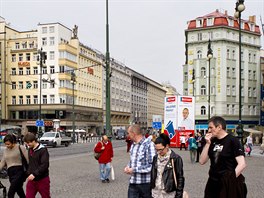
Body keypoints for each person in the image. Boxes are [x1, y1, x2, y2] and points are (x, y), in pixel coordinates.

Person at [200, 116, 247, 198]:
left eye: (211, 127)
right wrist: (207, 143)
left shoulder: (233, 141)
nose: (209, 130)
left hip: (227, 183)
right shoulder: (212, 141)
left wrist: (229, 180)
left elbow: (242, 164)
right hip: (212, 182)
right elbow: (202, 161)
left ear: (219, 127)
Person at [124, 124, 156, 198]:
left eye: (128, 133)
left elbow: (152, 166)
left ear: (133, 134)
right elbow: (132, 161)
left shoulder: (149, 145)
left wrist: (134, 169)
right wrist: (128, 167)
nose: (128, 135)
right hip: (133, 182)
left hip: (145, 184)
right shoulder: (133, 145)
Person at [151, 134, 185, 198]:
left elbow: (180, 178)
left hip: (169, 193)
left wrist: (179, 194)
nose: (158, 152)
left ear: (167, 146)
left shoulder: (175, 158)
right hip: (156, 193)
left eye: (160, 149)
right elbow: (153, 174)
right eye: (156, 150)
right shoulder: (155, 158)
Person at [0, 134, 28, 198]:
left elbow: (28, 159)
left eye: (8, 144)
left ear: (13, 142)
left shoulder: (20, 147)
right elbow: (2, 162)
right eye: (5, 144)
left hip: (20, 172)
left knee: (11, 193)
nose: (7, 146)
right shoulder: (5, 150)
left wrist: (32, 172)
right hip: (10, 173)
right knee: (19, 190)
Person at [23, 132, 50, 198]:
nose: (28, 145)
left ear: (34, 141)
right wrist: (28, 173)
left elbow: (44, 165)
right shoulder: (30, 149)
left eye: (29, 143)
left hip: (42, 179)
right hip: (32, 180)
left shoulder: (43, 150)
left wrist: (34, 174)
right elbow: (30, 163)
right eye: (26, 143)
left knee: (45, 196)